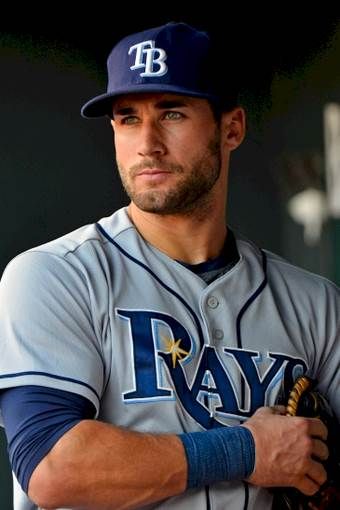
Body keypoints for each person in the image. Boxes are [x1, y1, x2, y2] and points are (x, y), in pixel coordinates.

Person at [0, 21, 338, 510]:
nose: (147, 143)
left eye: (172, 113)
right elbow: (52, 467)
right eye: (127, 118)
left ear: (232, 128)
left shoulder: (315, 304)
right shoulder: (55, 277)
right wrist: (247, 451)